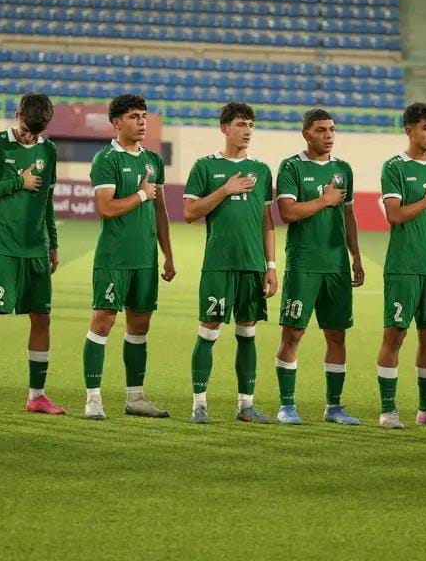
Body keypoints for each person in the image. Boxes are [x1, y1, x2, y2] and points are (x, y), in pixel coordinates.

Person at [0, 93, 63, 416]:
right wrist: (17, 182)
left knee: (42, 318)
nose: (30, 137)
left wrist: (53, 243)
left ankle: (37, 396)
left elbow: (47, 201)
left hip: (36, 249)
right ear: (18, 114)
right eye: (27, 129)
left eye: (36, 132)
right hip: (1, 247)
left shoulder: (48, 150)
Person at [183, 102, 277, 424]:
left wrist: (271, 266)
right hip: (219, 264)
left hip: (252, 265)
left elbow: (266, 221)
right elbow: (189, 213)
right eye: (240, 124)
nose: (247, 130)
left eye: (250, 124)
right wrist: (225, 190)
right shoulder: (205, 167)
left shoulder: (261, 170)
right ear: (224, 128)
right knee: (208, 331)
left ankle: (245, 406)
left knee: (248, 333)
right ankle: (199, 405)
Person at [82, 94, 174, 421]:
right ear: (117, 122)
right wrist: (140, 194)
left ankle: (135, 398)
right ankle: (93, 398)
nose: (142, 122)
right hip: (114, 257)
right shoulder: (105, 159)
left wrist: (168, 254)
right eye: (134, 116)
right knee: (103, 320)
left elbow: (160, 210)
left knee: (139, 325)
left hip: (145, 259)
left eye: (144, 116)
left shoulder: (153, 161)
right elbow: (106, 208)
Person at [272, 109, 364, 426]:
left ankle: (334, 407)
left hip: (336, 265)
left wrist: (356, 256)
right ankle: (286, 406)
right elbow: (287, 212)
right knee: (293, 333)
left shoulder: (343, 169)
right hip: (304, 263)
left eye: (332, 129)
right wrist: (324, 200)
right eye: (321, 129)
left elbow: (348, 216)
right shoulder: (292, 167)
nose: (329, 135)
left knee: (337, 335)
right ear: (306, 134)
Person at [375, 102, 426, 430]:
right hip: (404, 266)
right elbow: (394, 215)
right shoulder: (394, 167)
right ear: (409, 130)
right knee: (395, 335)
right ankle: (388, 410)